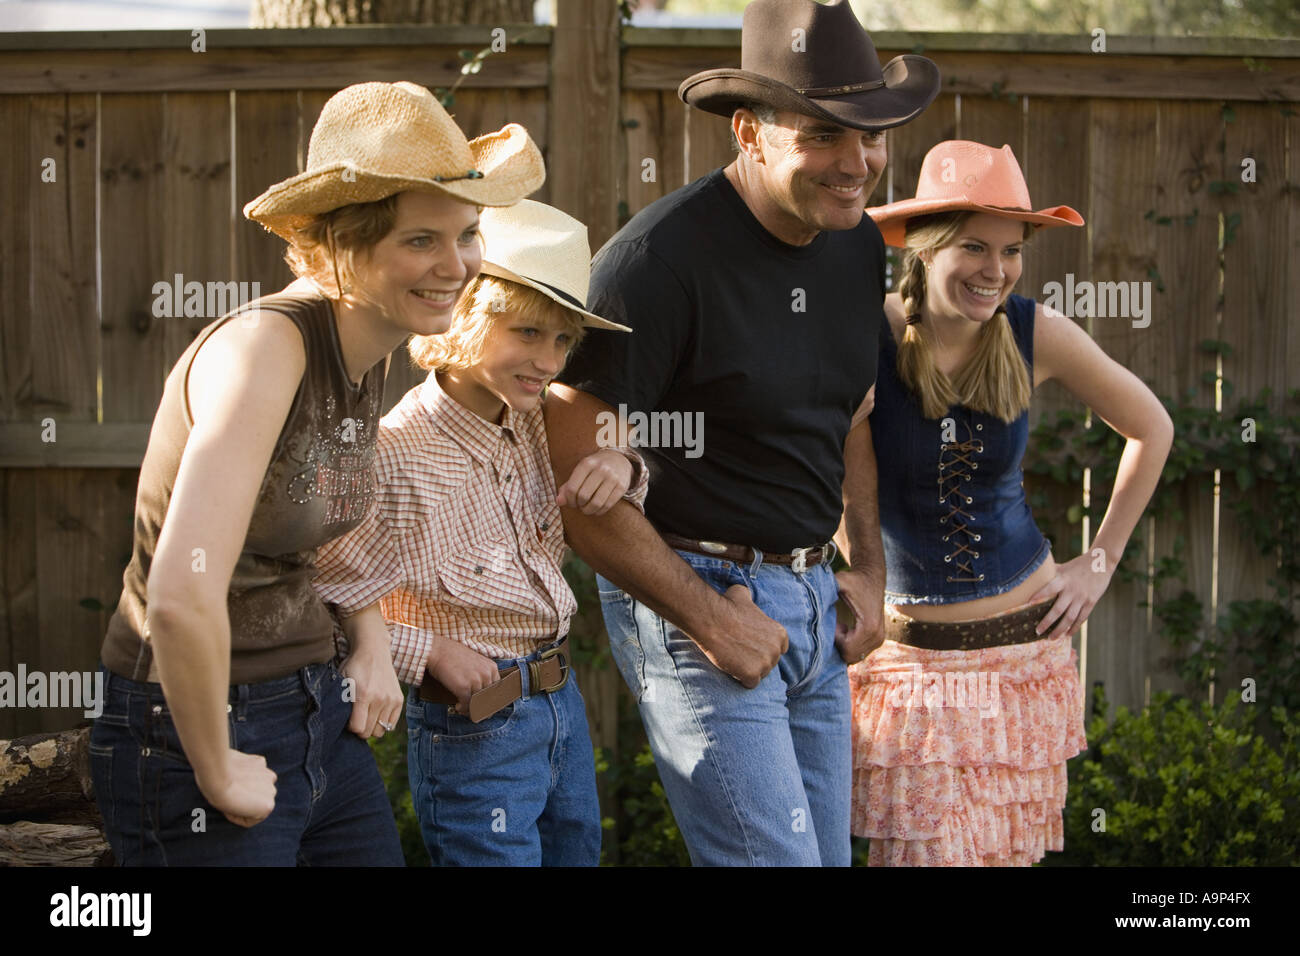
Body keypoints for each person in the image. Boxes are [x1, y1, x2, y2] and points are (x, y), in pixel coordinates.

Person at [90, 81, 544, 866]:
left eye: (466, 234)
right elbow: (179, 590)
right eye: (420, 241)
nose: (457, 265)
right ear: (341, 244)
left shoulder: (370, 350)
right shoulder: (267, 350)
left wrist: (368, 640)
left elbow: (307, 538)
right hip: (198, 720)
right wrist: (213, 765)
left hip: (315, 708)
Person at [545, 0, 939, 865]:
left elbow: (855, 417)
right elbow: (571, 484)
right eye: (824, 134)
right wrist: (708, 620)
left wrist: (868, 569)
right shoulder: (657, 264)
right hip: (698, 600)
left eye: (870, 134)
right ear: (748, 130)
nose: (857, 161)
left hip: (814, 600)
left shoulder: (855, 245)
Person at [848, 139, 1173, 865]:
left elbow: (1152, 427)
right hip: (909, 670)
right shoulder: (862, 333)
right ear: (928, 246)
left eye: (1013, 250)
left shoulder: (1035, 332)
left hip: (1024, 658)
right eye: (974, 246)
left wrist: (1101, 559)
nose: (996, 270)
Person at [312, 200, 647, 866]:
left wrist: (621, 463)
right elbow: (324, 590)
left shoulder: (534, 421)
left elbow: (627, 458)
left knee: (576, 853)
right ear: (465, 313)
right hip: (476, 724)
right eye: (527, 333)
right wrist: (427, 650)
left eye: (562, 340)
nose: (548, 361)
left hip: (559, 704)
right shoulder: (395, 453)